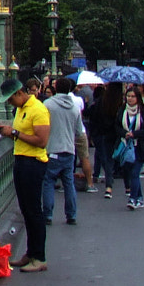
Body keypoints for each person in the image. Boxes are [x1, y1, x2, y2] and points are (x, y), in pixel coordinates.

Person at [0, 76, 50, 272]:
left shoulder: (38, 110)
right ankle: (31, 252)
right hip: (21, 160)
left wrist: (15, 133)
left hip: (33, 163)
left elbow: (42, 141)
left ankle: (40, 257)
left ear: (20, 93)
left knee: (34, 210)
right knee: (26, 210)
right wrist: (9, 133)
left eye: (11, 99)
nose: (10, 103)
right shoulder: (21, 109)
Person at [41, 76, 88, 225]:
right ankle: (71, 215)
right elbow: (79, 131)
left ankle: (48, 214)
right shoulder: (74, 108)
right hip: (69, 150)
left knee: (48, 182)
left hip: (52, 149)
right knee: (69, 184)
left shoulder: (48, 105)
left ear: (55, 88)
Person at [116, 84, 144, 207]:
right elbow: (116, 126)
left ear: (138, 98)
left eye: (133, 96)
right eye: (128, 96)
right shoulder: (122, 111)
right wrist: (125, 133)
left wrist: (135, 134)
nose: (130, 99)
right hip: (126, 147)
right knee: (130, 172)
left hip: (140, 147)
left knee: (135, 172)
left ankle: (132, 198)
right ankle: (140, 198)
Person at [84, 85, 123, 198]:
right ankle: (126, 185)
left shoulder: (101, 102)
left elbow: (90, 113)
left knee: (105, 157)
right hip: (116, 133)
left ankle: (108, 183)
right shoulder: (120, 103)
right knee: (115, 156)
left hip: (102, 133)